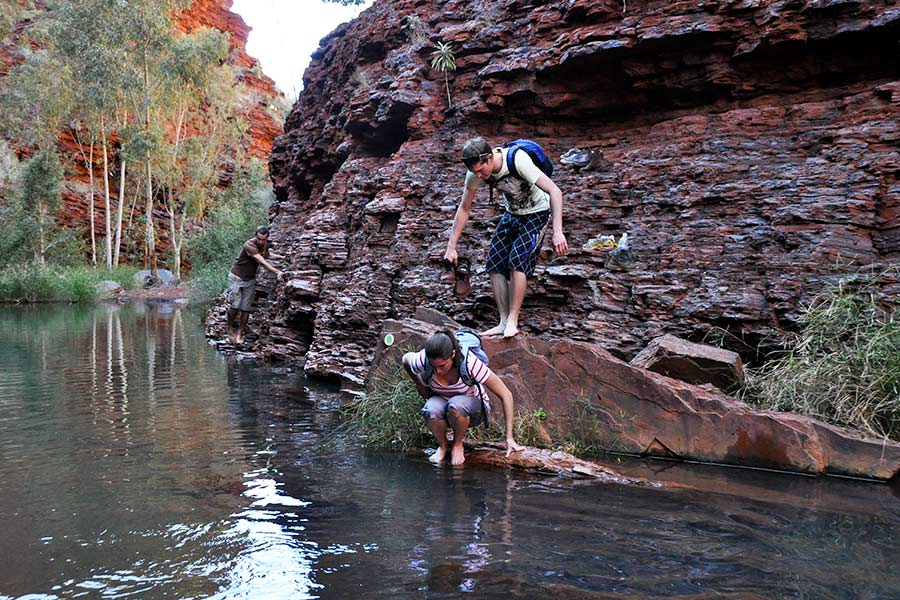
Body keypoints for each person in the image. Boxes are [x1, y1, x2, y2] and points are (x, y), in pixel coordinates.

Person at [444, 137, 569, 338]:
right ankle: (502, 321)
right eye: (474, 172)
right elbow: (465, 208)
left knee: (517, 261)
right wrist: (451, 246)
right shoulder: (475, 173)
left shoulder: (517, 160)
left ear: (490, 158)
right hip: (512, 214)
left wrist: (557, 232)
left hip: (538, 212)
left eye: (481, 170)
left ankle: (513, 319)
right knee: (494, 262)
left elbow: (555, 191)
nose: (479, 175)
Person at [402, 330, 525, 466]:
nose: (438, 371)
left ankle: (457, 444)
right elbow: (406, 359)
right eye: (434, 367)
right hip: (443, 405)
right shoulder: (424, 359)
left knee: (456, 405)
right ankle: (443, 446)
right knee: (430, 408)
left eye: (442, 366)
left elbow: (506, 394)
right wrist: (420, 385)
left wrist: (509, 438)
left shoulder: (470, 364)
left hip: (471, 409)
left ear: (453, 354)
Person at [225, 225, 285, 345]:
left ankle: (240, 334)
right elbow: (261, 261)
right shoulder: (249, 245)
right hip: (236, 277)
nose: (261, 241)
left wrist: (282, 257)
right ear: (255, 236)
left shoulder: (264, 244)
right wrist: (277, 271)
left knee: (245, 308)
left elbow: (266, 255)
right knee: (235, 305)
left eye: (264, 239)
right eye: (259, 239)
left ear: (267, 238)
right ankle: (230, 327)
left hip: (250, 279)